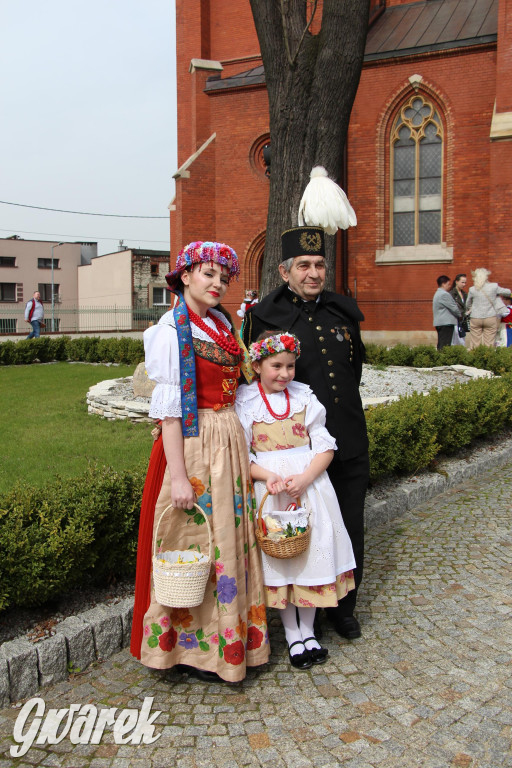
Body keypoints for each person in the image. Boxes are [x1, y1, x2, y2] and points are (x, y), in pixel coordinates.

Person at [130, 241, 269, 683]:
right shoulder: (172, 330)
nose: (217, 284)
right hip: (193, 445)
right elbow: (168, 412)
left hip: (226, 440)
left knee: (227, 542)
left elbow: (242, 384)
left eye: (223, 278)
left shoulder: (221, 323)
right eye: (208, 274)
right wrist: (177, 478)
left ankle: (225, 639)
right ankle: (190, 650)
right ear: (185, 276)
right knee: (195, 544)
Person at [243, 167, 367, 642]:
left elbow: (354, 370)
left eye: (318, 264)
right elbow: (255, 383)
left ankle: (344, 606)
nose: (313, 273)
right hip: (293, 450)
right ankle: (296, 615)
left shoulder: (343, 311)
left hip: (347, 438)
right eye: (303, 266)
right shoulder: (265, 316)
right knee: (295, 526)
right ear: (285, 271)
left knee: (347, 523)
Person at [235, 331, 356, 670]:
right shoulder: (246, 402)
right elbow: (242, 455)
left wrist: (305, 478)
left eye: (290, 366)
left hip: (309, 485)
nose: (285, 374)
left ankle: (308, 629)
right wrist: (266, 477)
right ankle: (291, 633)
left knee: (310, 553)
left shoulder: (304, 398)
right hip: (271, 492)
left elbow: (325, 445)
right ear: (257, 364)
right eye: (276, 366)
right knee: (281, 558)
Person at [466, 268, 512, 349]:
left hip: (475, 317)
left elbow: (467, 304)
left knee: (475, 342)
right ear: (486, 277)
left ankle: (476, 358)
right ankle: (488, 358)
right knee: (489, 343)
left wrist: (472, 308)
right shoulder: (493, 286)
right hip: (490, 317)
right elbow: (508, 292)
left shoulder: (472, 289)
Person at [432, 276, 461, 350]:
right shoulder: (444, 294)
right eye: (448, 284)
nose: (449, 286)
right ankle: (443, 360)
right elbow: (454, 307)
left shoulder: (437, 293)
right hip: (446, 323)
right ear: (443, 284)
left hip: (440, 322)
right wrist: (460, 315)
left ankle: (440, 358)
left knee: (441, 344)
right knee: (445, 345)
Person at [450, 274, 468, 346]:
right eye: (462, 282)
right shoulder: (452, 294)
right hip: (455, 320)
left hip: (462, 321)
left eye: (465, 282)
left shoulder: (464, 294)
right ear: (456, 282)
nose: (464, 284)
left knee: (462, 340)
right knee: (455, 341)